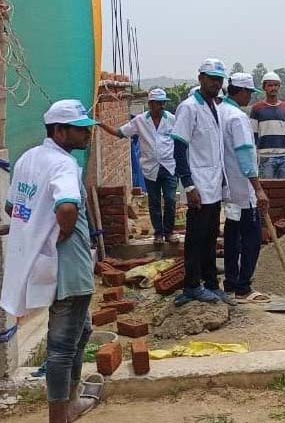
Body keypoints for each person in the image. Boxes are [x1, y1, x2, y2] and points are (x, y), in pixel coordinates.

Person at [1, 100, 104, 422]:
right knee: (61, 345)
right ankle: (60, 413)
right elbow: (67, 208)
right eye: (80, 129)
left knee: (81, 330)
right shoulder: (63, 164)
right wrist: (59, 233)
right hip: (68, 268)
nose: (87, 133)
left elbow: (12, 207)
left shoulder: (29, 158)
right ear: (59, 131)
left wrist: (37, 230)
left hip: (47, 265)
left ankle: (71, 397)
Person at [171, 58, 230, 305]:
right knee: (196, 237)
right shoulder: (189, 108)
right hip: (198, 184)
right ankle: (192, 286)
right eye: (212, 79)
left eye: (219, 80)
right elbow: (179, 148)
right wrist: (188, 185)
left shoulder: (213, 106)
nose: (216, 83)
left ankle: (211, 283)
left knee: (210, 236)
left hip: (213, 182)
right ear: (201, 78)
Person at [98, 88, 178, 244]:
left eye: (163, 103)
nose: (162, 106)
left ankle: (169, 232)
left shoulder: (171, 119)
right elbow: (120, 133)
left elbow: (181, 138)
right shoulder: (140, 121)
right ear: (150, 104)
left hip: (169, 166)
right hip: (150, 168)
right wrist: (101, 124)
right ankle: (158, 234)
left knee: (170, 199)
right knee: (154, 202)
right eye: (159, 103)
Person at [219, 73, 271, 302]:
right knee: (252, 238)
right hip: (242, 190)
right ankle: (244, 288)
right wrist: (258, 189)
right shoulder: (237, 117)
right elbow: (245, 154)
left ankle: (230, 282)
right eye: (249, 92)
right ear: (240, 91)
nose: (250, 97)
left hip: (227, 190)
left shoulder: (219, 111)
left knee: (232, 235)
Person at [251, 71, 285, 179]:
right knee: (267, 186)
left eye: (276, 85)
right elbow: (253, 135)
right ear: (264, 87)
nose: (273, 88)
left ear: (279, 87)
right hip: (265, 156)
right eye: (270, 85)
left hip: (284, 156)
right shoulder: (257, 108)